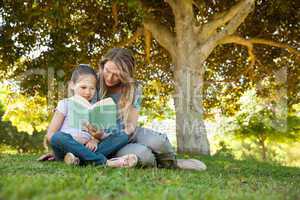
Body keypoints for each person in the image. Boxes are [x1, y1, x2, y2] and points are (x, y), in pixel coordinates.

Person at [90, 48, 206, 171]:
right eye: (107, 71)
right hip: (100, 139)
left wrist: (120, 138)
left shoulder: (134, 88)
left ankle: (173, 164)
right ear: (102, 65)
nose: (109, 77)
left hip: (126, 133)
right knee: (143, 155)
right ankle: (150, 162)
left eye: (117, 74)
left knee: (158, 142)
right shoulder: (91, 83)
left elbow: (131, 126)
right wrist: (98, 137)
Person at [46, 64, 138, 168]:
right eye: (83, 87)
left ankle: (78, 159)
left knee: (122, 136)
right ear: (72, 85)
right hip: (66, 146)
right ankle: (106, 162)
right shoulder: (65, 104)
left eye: (92, 88)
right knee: (58, 137)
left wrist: (94, 139)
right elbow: (50, 135)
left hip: (88, 148)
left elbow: (100, 133)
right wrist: (73, 141)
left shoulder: (96, 108)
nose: (87, 92)